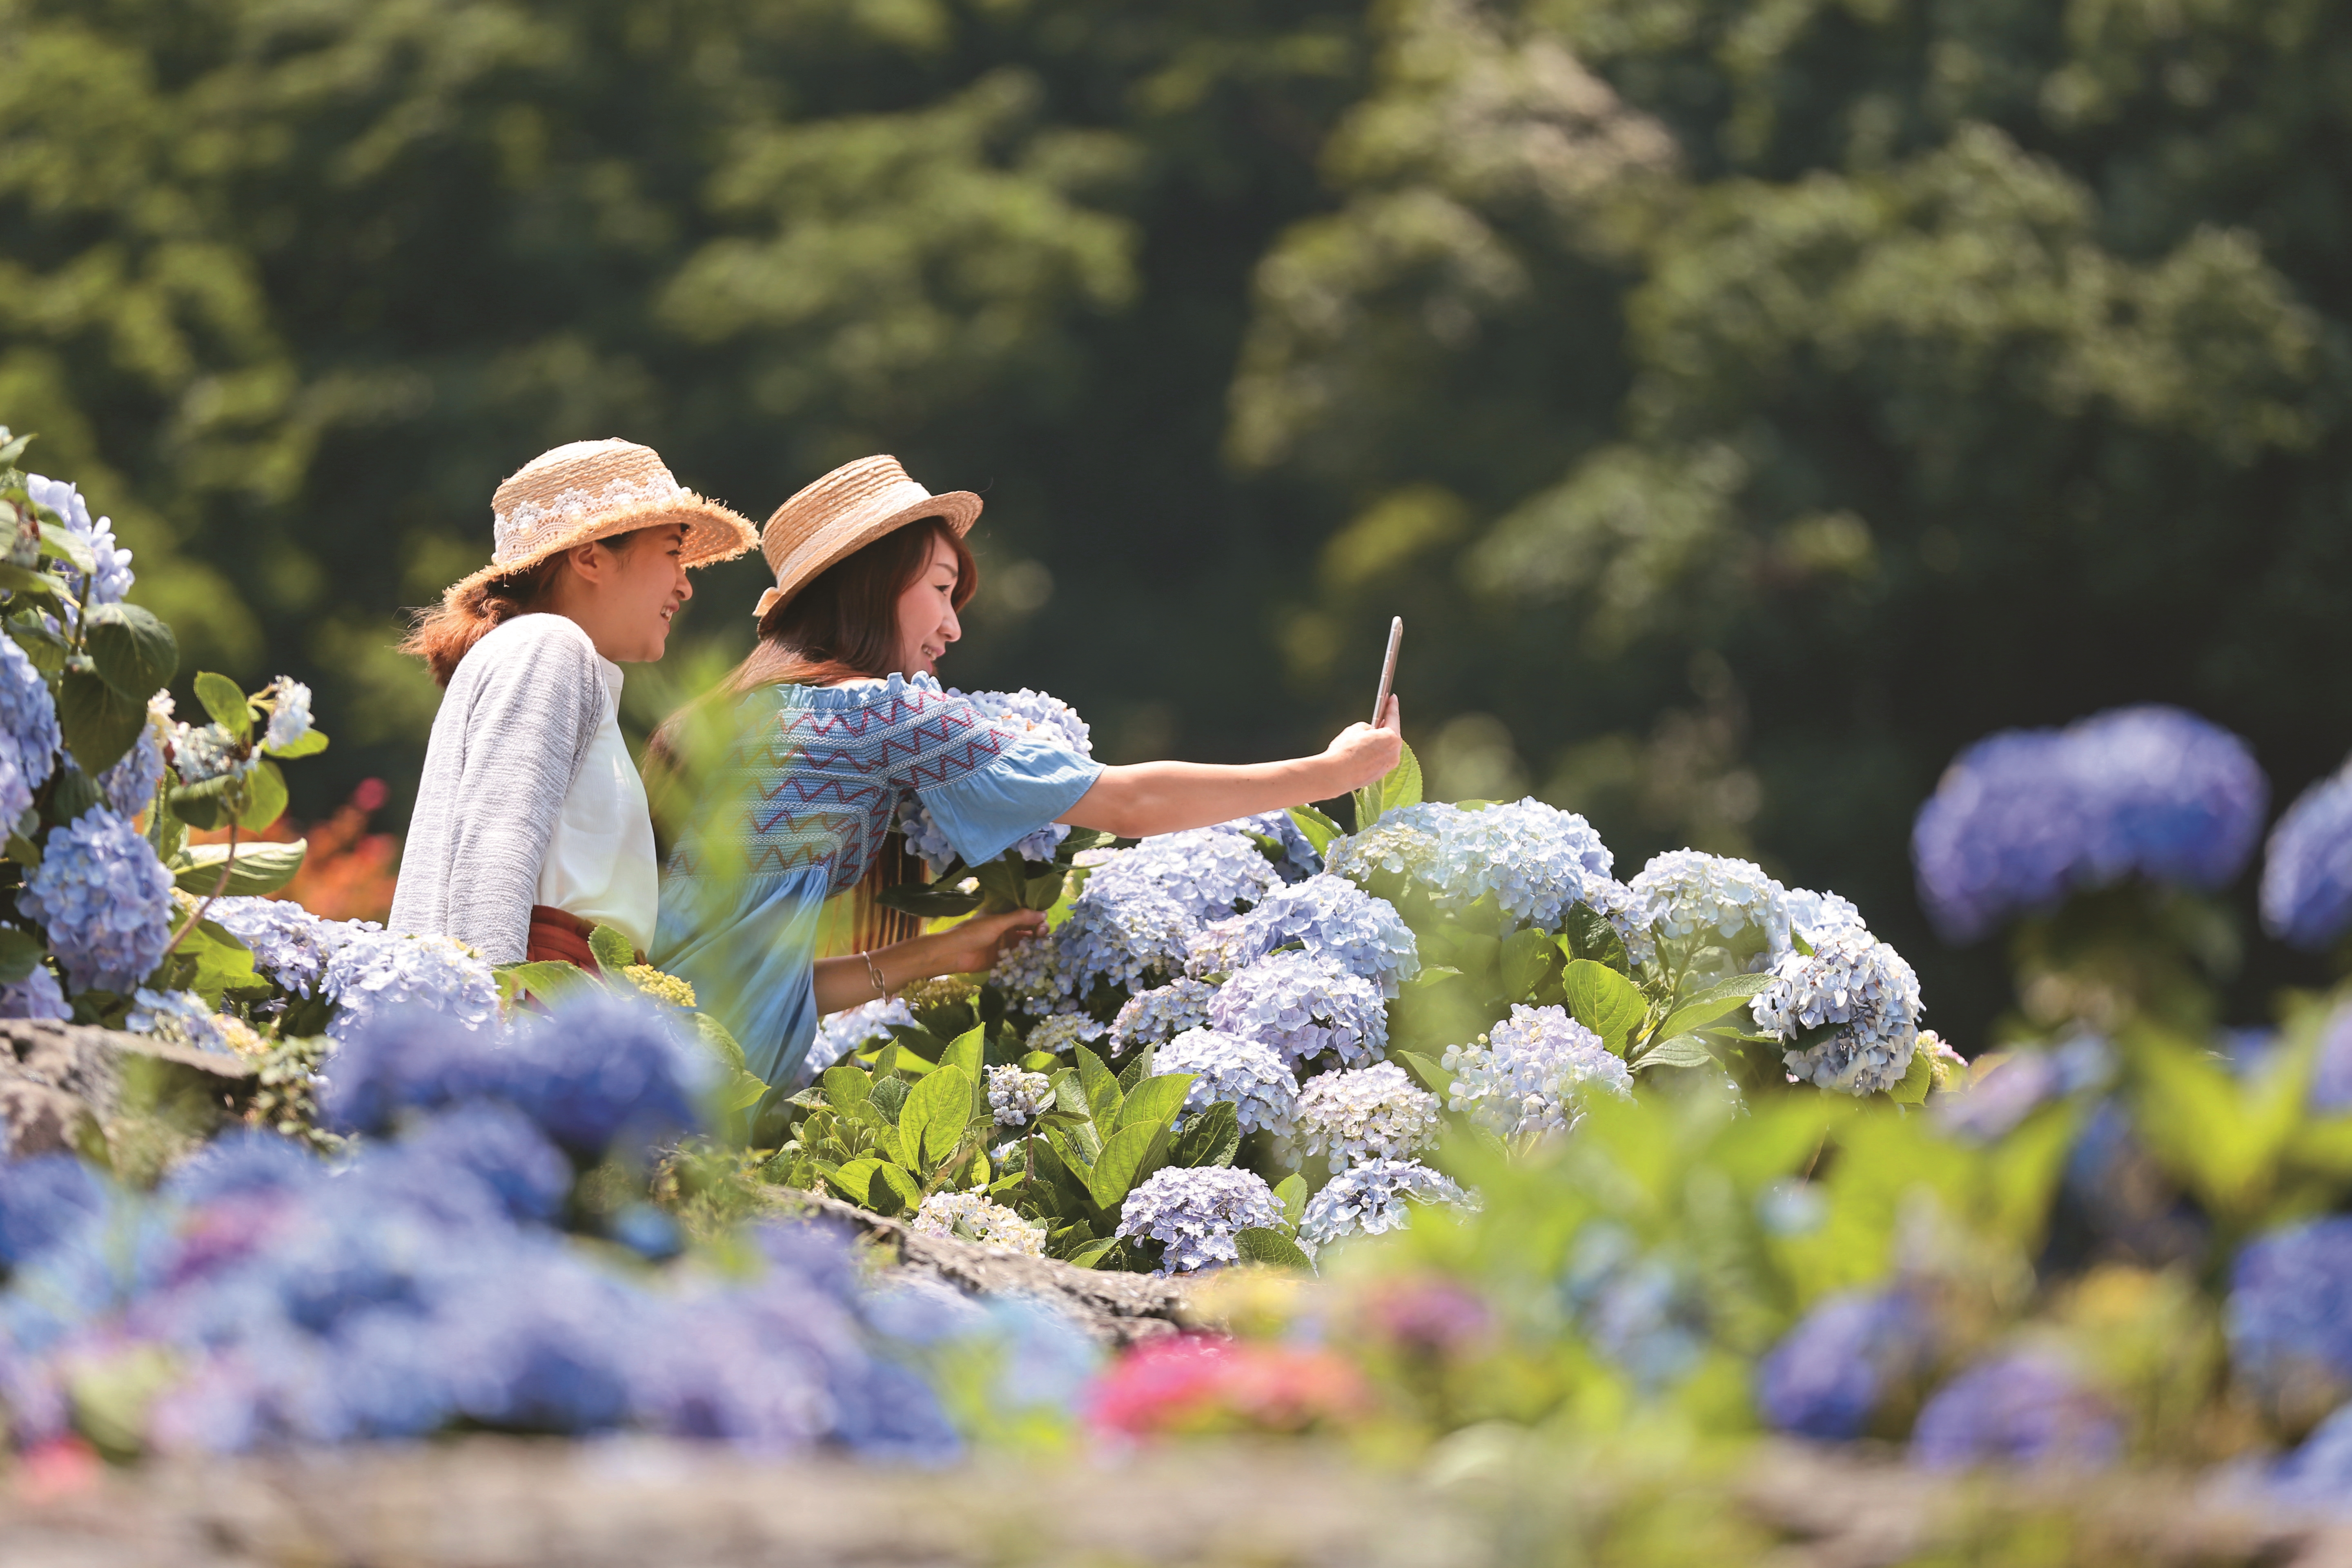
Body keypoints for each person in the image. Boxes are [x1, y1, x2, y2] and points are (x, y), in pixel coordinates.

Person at [649, 454, 1403, 1100]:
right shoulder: (877, 715)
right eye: (940, 588)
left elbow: (754, 978)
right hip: (691, 1094)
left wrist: (944, 953)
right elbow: (1133, 803)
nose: (953, 626)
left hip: (653, 1059)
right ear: (871, 584)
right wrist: (1332, 771)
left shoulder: (740, 717)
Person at [390, 438, 756, 967]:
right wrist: (495, 1003)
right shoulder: (548, 646)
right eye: (673, 552)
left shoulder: (539, 651)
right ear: (590, 558)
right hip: (539, 994)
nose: (685, 586)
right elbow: (497, 848)